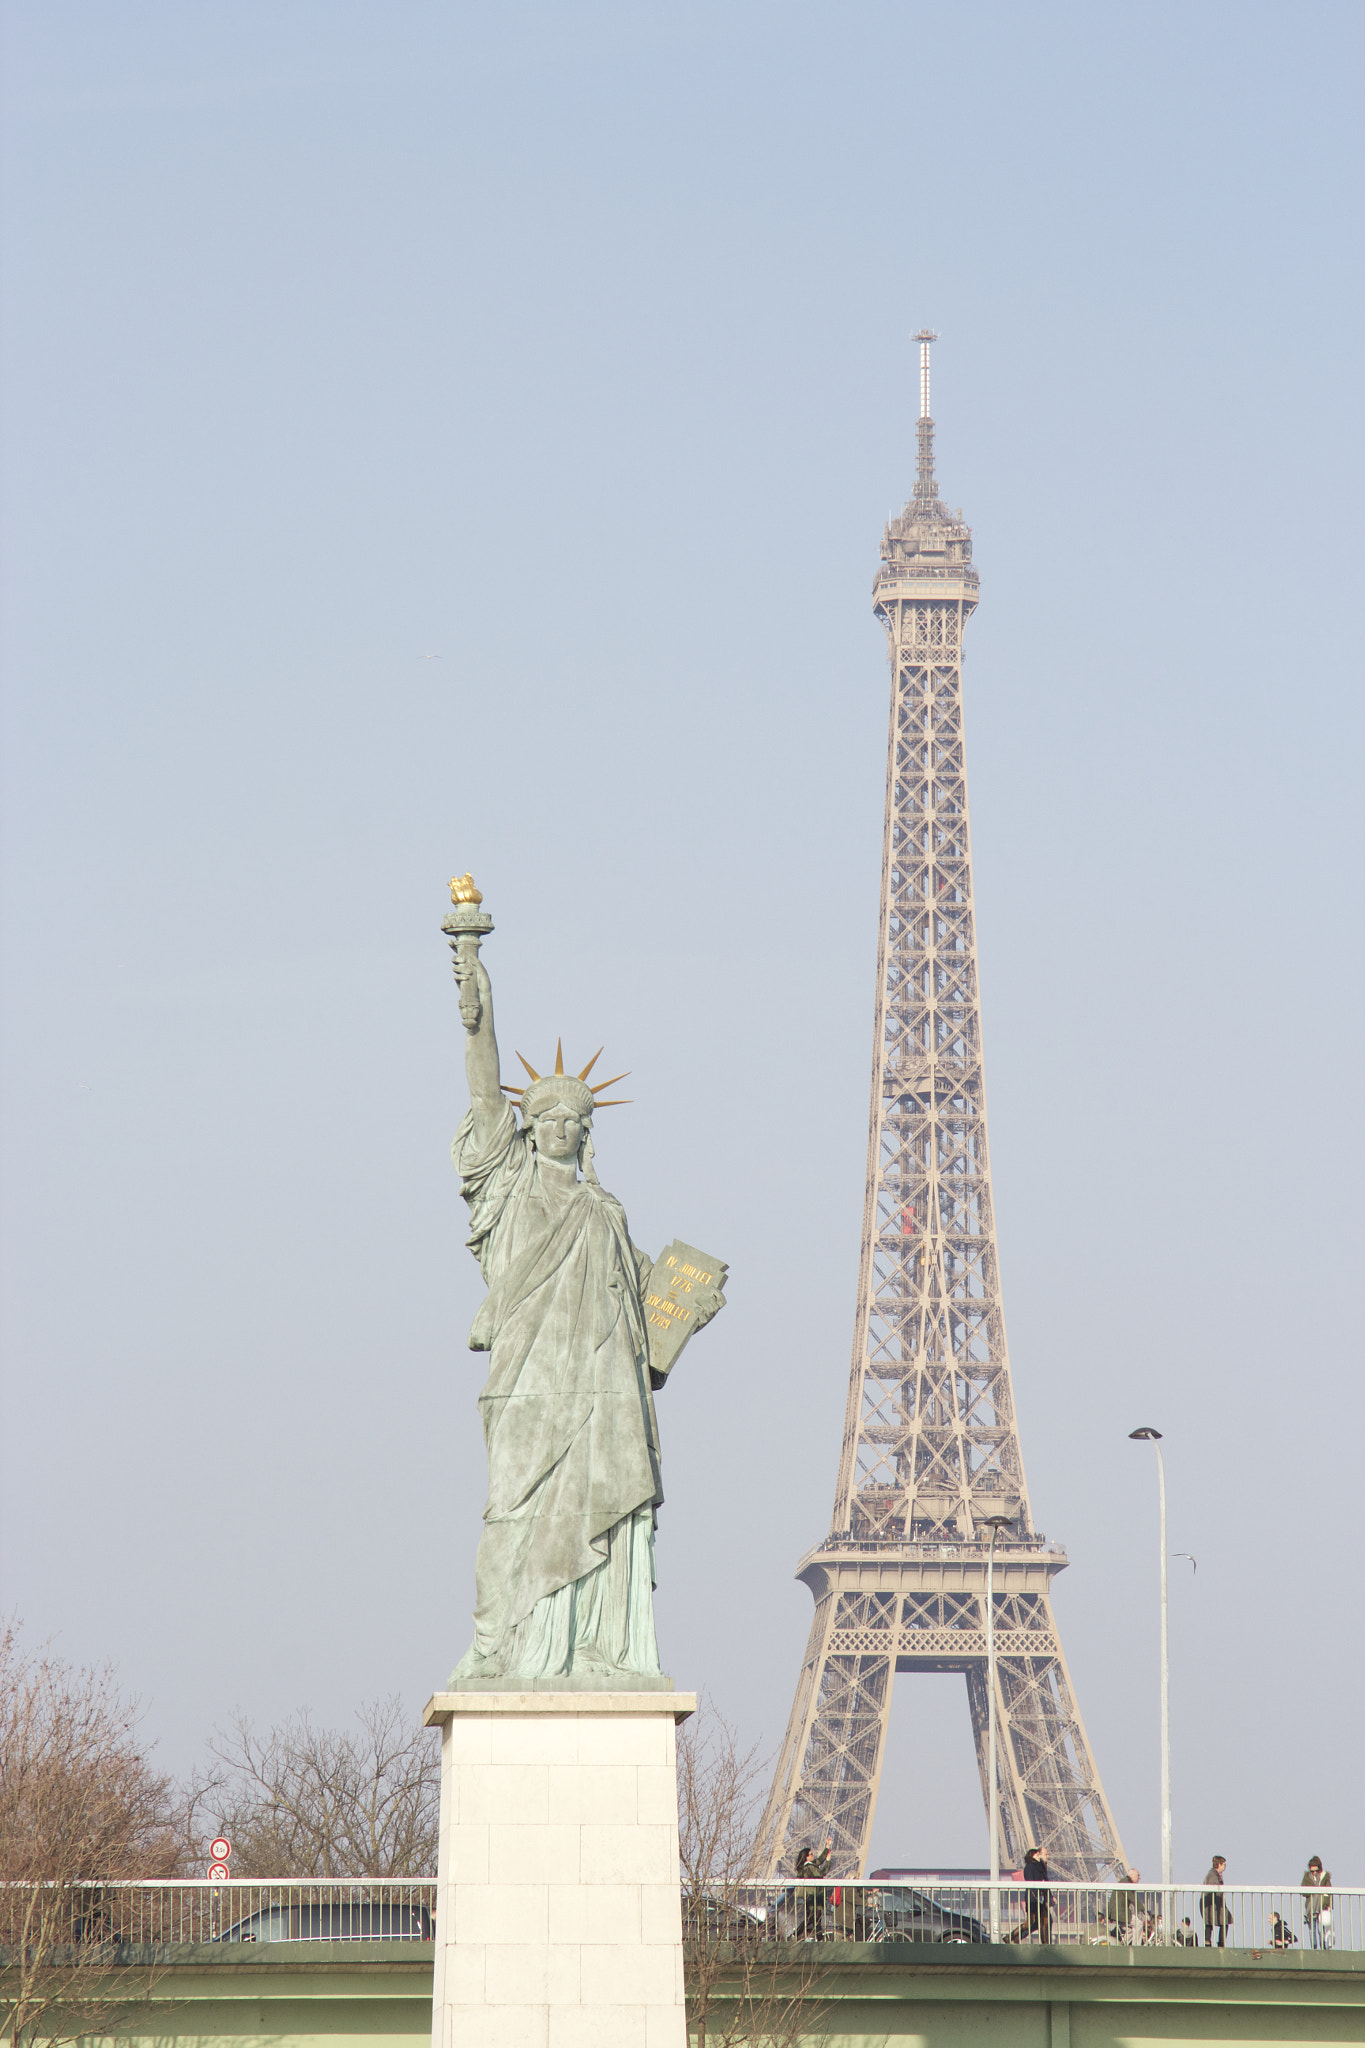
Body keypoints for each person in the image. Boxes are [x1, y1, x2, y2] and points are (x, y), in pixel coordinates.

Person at [446, 943, 721, 1683]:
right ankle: (498, 1646)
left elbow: (642, 1308)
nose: (561, 1126)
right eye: (547, 1115)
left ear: (586, 1131)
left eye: (575, 1117)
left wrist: (687, 1307)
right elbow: (481, 1097)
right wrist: (480, 1015)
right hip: (528, 1386)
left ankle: (597, 1650)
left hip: (602, 1395)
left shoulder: (605, 1212)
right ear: (528, 1126)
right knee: (510, 1518)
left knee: (603, 1509)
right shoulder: (506, 1191)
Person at [793, 1837, 834, 1939]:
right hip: (814, 1897)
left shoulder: (807, 1866)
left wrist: (827, 1846)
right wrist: (828, 1861)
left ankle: (797, 1935)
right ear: (806, 1857)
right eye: (811, 1854)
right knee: (814, 1919)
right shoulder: (809, 1867)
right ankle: (798, 1935)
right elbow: (822, 1872)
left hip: (811, 1897)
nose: (813, 1855)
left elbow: (819, 1860)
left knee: (813, 1919)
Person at [1022, 1845, 1053, 1944]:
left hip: (1037, 1899)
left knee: (1038, 1922)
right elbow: (1034, 1882)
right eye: (1044, 1854)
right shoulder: (1033, 1867)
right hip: (1035, 1899)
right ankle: (1045, 1944)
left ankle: (1013, 1936)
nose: (1047, 1856)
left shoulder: (1040, 1866)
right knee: (1040, 1921)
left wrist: (1049, 1897)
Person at [1302, 1858, 1333, 1950]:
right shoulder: (1307, 1877)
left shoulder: (1325, 1877)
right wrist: (1313, 1892)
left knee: (1321, 1930)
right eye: (1312, 1871)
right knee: (1312, 1929)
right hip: (1310, 1907)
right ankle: (1313, 1947)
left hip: (1322, 1906)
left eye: (1316, 1870)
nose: (1314, 1873)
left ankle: (1323, 1946)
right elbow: (1303, 1891)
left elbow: (1329, 1892)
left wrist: (1328, 1905)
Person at [1201, 1856, 1231, 1948]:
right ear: (1219, 1864)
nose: (1225, 1866)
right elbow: (1214, 1888)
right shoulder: (1213, 1875)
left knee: (1210, 1922)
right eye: (1223, 1864)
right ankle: (1219, 1942)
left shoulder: (1213, 1874)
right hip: (1213, 1903)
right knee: (1224, 1920)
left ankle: (1208, 1941)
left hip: (1212, 1904)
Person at [1106, 1868, 1141, 1945]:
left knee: (1130, 1930)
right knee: (1139, 1923)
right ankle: (1137, 1947)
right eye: (1138, 1875)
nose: (1140, 1877)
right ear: (1132, 1875)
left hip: (1117, 1913)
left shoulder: (1124, 1881)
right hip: (1120, 1913)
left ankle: (1123, 1945)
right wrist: (1142, 1909)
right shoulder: (1126, 1883)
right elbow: (1131, 1897)